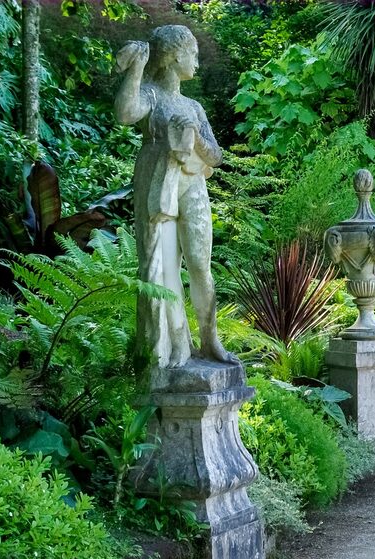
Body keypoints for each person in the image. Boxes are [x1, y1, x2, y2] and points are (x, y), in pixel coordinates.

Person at [115, 25, 233, 368]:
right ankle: (176, 344)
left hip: (192, 182)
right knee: (163, 266)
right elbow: (125, 113)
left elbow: (216, 156)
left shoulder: (194, 106)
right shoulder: (151, 95)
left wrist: (193, 137)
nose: (196, 61)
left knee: (199, 264)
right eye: (193, 53)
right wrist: (136, 68)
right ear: (174, 56)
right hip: (156, 179)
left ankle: (210, 339)